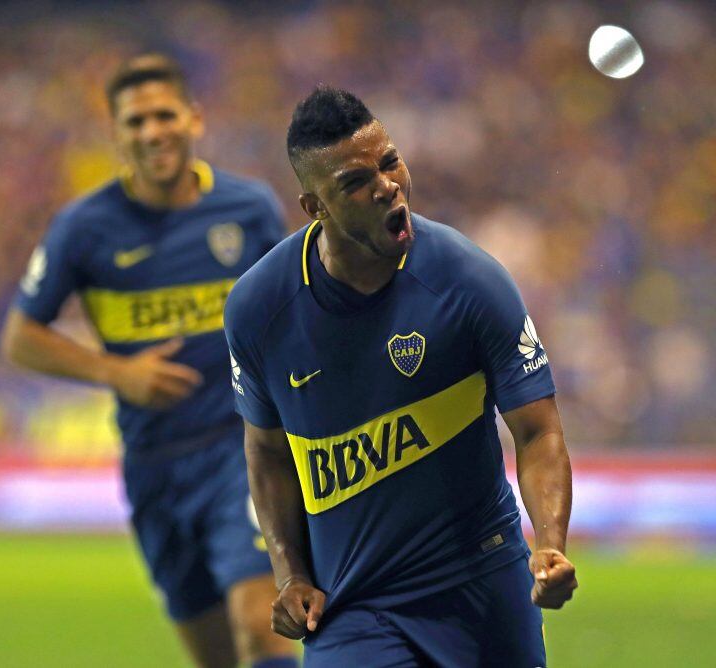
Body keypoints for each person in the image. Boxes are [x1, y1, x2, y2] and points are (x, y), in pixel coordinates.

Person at [224, 86, 577, 667]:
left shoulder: (470, 282)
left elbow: (537, 431)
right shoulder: (259, 309)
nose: (386, 184)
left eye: (389, 161)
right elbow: (266, 453)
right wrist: (290, 576)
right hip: (353, 606)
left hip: (483, 590)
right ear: (316, 208)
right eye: (355, 181)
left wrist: (550, 545)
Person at [2, 54, 298, 668]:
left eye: (164, 115)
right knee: (213, 653)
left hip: (240, 449)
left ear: (194, 119)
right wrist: (117, 374)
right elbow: (20, 336)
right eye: (135, 122)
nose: (152, 132)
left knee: (261, 623)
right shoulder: (84, 228)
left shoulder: (249, 209)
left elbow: (295, 314)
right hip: (153, 465)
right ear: (117, 134)